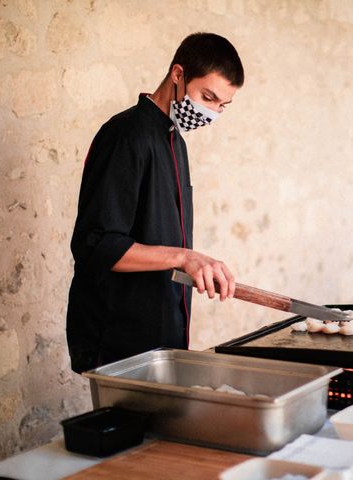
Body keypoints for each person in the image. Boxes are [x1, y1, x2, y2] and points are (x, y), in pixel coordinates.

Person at [66, 33, 243, 373]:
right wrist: (184, 256)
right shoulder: (126, 135)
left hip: (161, 337)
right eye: (207, 97)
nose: (212, 112)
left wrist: (193, 263)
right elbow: (96, 245)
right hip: (120, 341)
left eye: (222, 105)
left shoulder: (175, 140)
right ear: (178, 74)